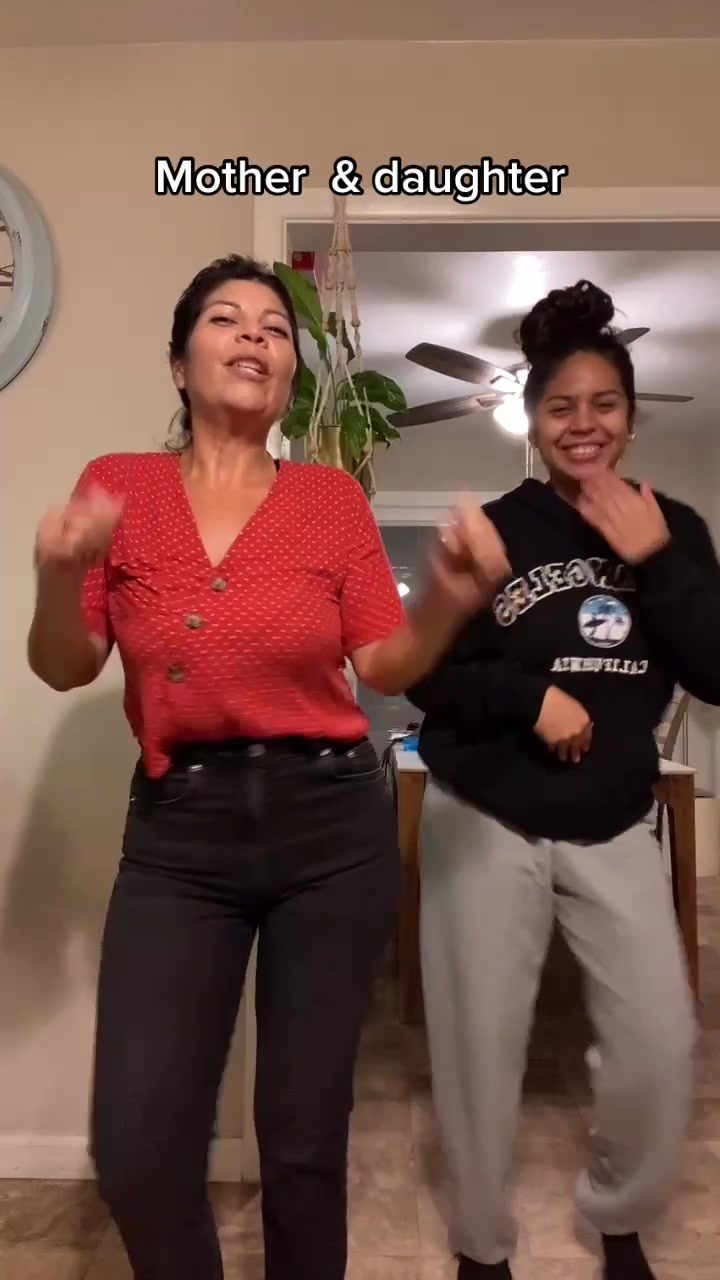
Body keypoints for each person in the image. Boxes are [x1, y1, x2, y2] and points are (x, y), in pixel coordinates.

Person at [26, 253, 510, 1280]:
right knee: (138, 1150)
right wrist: (60, 572)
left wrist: (450, 601)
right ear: (178, 362)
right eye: (226, 317)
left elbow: (385, 664)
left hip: (330, 828)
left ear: (290, 372)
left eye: (276, 327)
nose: (255, 333)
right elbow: (66, 664)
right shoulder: (119, 485)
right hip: (179, 834)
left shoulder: (330, 499)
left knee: (301, 1141)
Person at [406, 279, 720, 1280]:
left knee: (660, 1039)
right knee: (478, 1046)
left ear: (630, 416)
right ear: (534, 421)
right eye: (560, 407)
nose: (583, 424)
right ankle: (480, 1245)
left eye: (604, 404)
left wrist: (657, 562)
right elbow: (427, 676)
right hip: (485, 809)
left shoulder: (676, 527)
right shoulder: (499, 528)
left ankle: (619, 1216)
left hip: (613, 816)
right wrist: (528, 696)